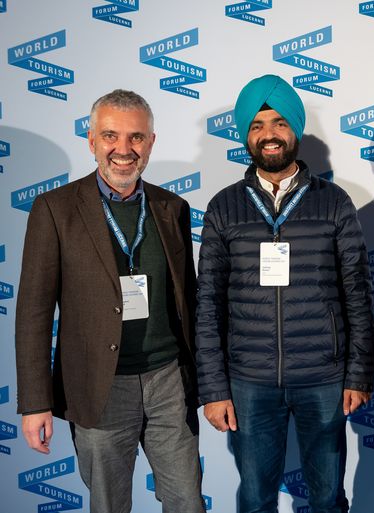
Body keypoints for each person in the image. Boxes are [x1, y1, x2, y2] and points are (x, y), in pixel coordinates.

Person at [15, 89, 203, 513]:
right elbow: (33, 314)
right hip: (99, 388)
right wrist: (36, 402)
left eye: (136, 137)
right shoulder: (55, 209)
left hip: (169, 383)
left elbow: (188, 303)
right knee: (109, 506)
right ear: (91, 140)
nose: (123, 149)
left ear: (151, 142)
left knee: (188, 502)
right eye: (110, 136)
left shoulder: (173, 207)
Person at [196, 74, 374, 513]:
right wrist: (214, 388)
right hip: (249, 381)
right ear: (246, 136)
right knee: (256, 500)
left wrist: (357, 375)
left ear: (294, 130)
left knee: (328, 499)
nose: (269, 134)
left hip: (323, 377)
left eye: (279, 123)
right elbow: (208, 305)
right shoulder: (224, 207)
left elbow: (356, 293)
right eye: (257, 125)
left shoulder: (334, 202)